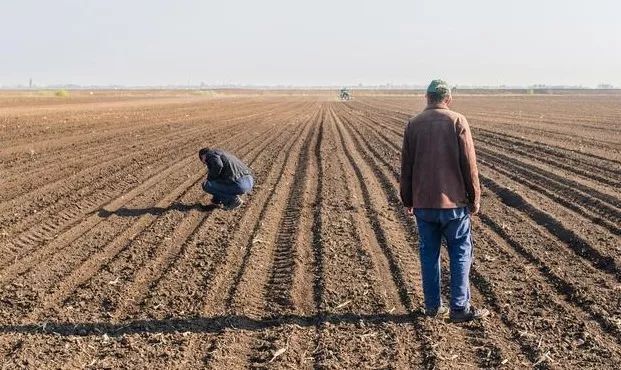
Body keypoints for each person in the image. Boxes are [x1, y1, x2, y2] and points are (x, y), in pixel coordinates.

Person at [400, 79, 489, 323]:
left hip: (424, 204)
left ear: (426, 98)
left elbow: (406, 166)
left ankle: (432, 307)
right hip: (454, 204)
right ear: (447, 99)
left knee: (428, 254)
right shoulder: (457, 121)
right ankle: (460, 308)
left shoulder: (413, 124)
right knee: (460, 252)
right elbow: (469, 164)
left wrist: (407, 198)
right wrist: (475, 197)